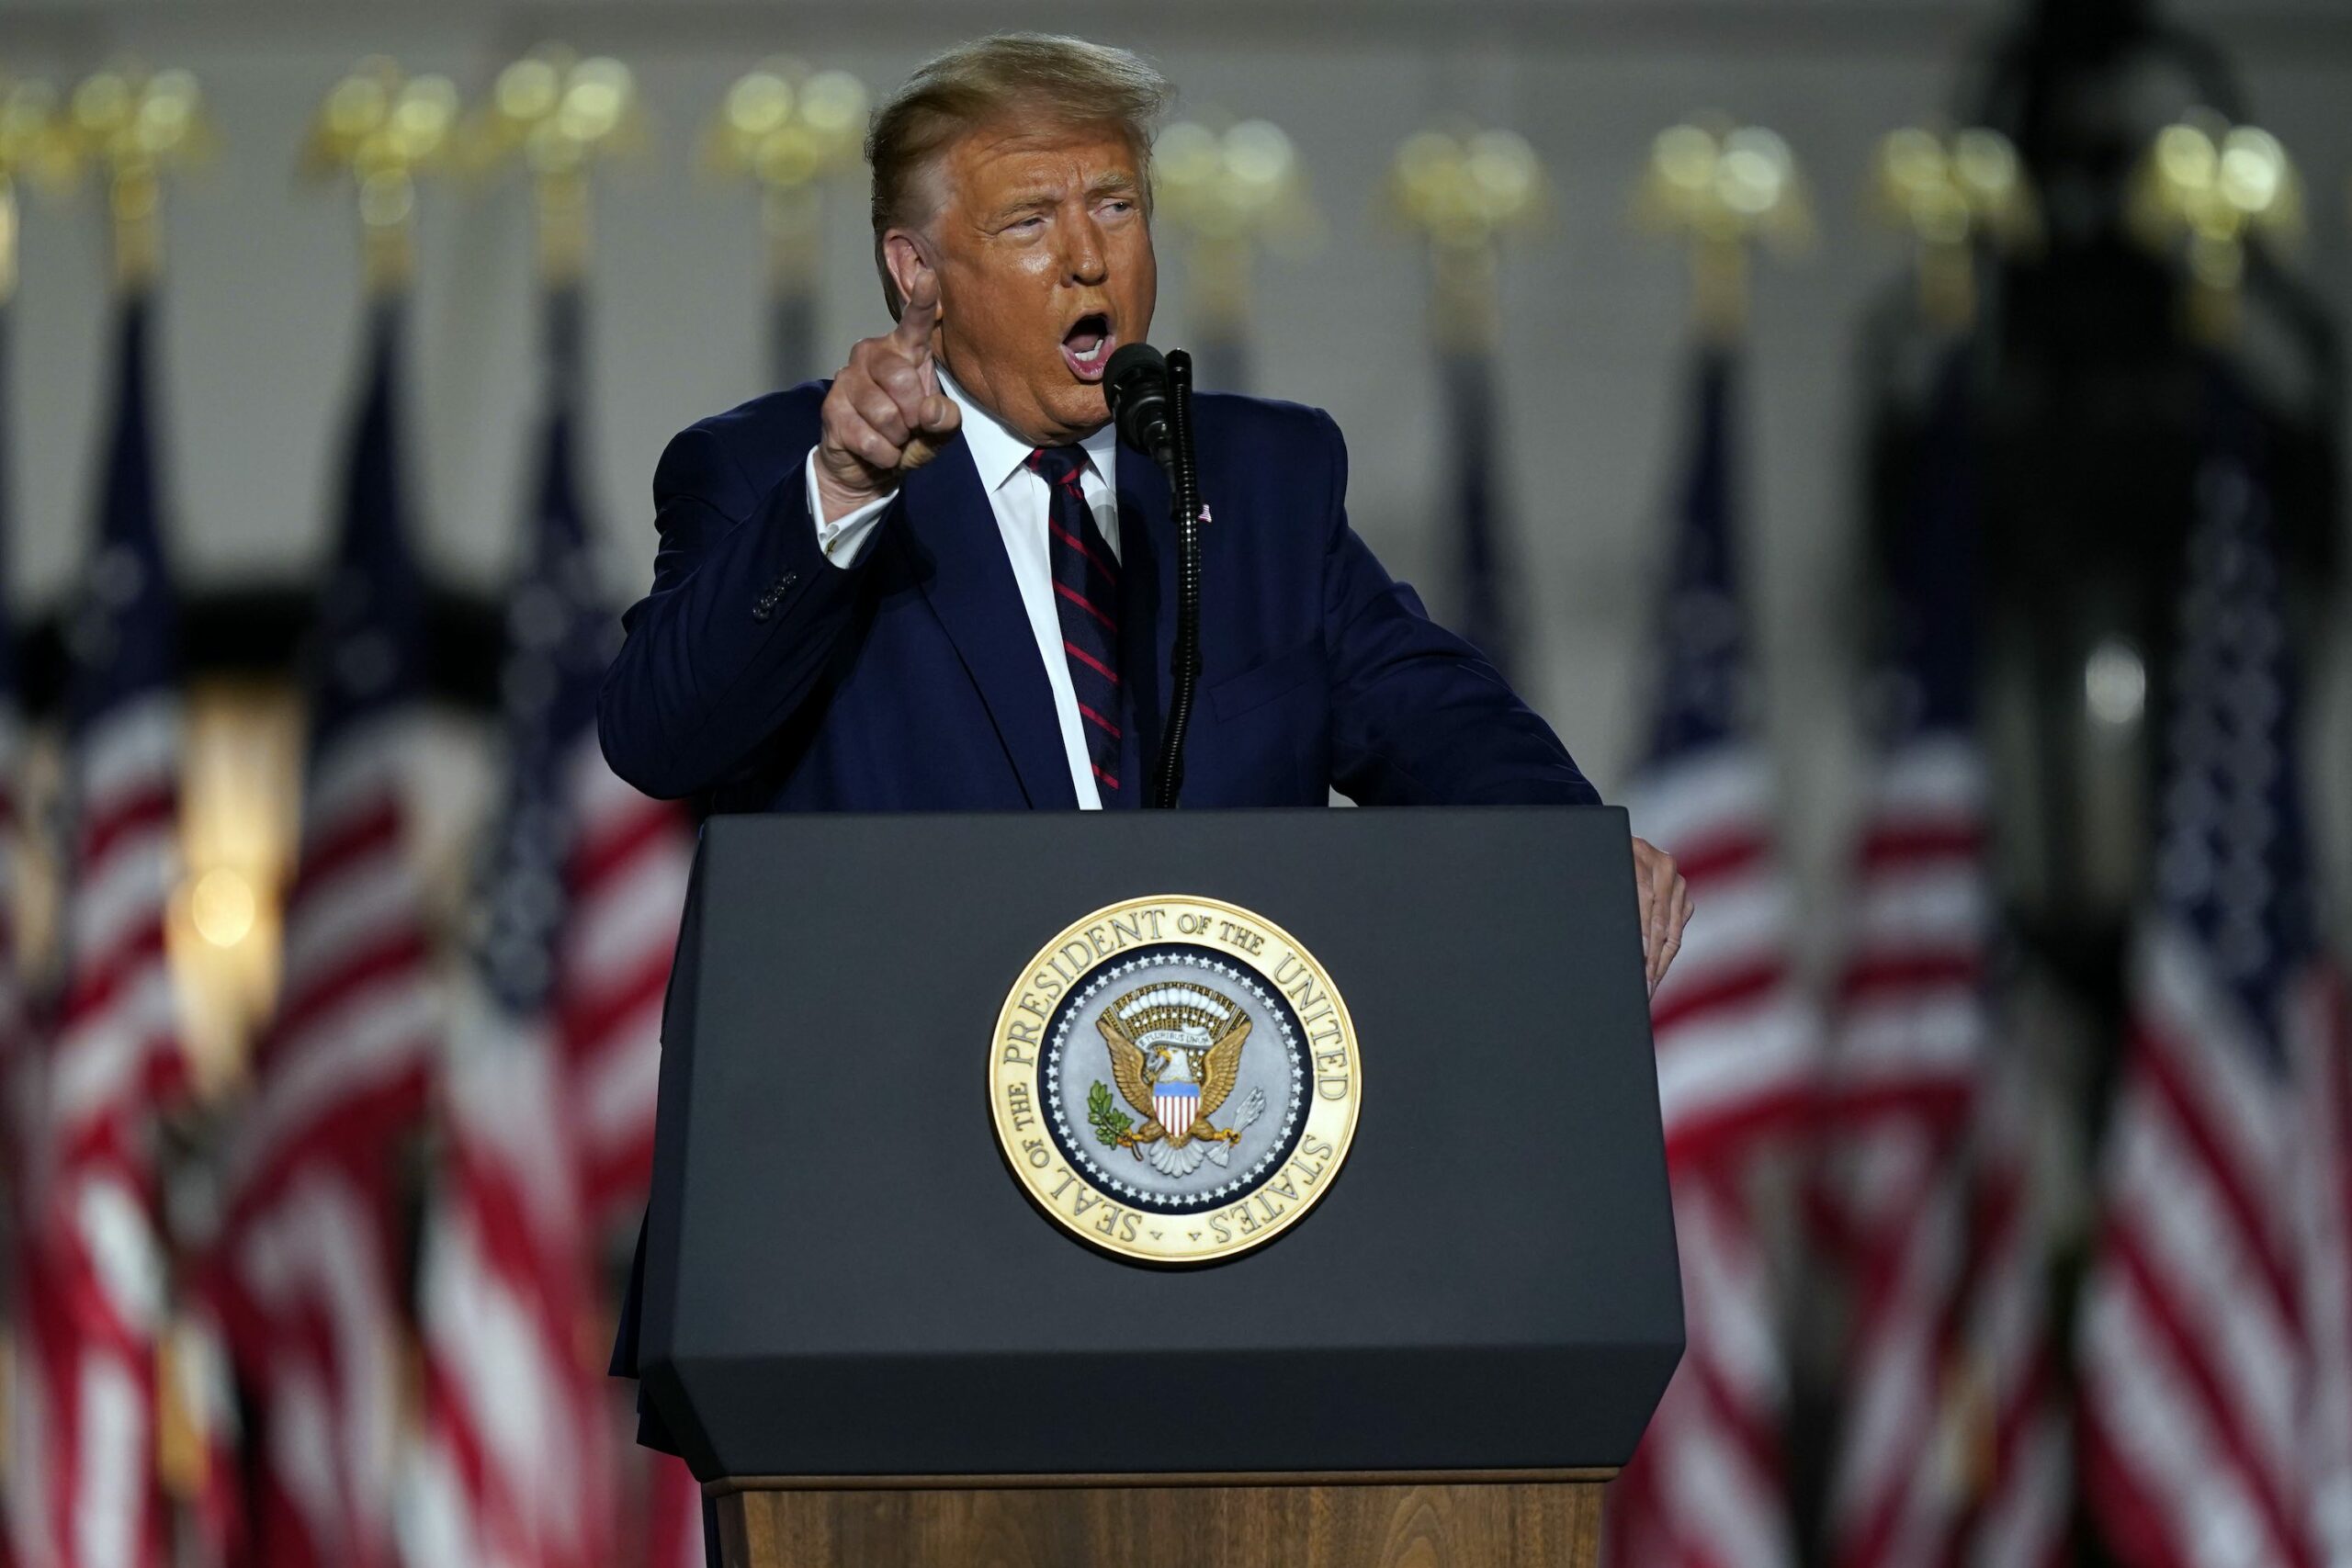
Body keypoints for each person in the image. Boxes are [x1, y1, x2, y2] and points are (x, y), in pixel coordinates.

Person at [601, 32, 1693, 1525]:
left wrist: (1574, 856)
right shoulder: (766, 474)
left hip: (1258, 1268)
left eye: (1115, 208)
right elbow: (662, 734)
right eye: (1028, 224)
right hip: (886, 1278)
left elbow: (1430, 715)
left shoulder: (1255, 479)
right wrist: (843, 495)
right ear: (913, 272)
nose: (1087, 260)